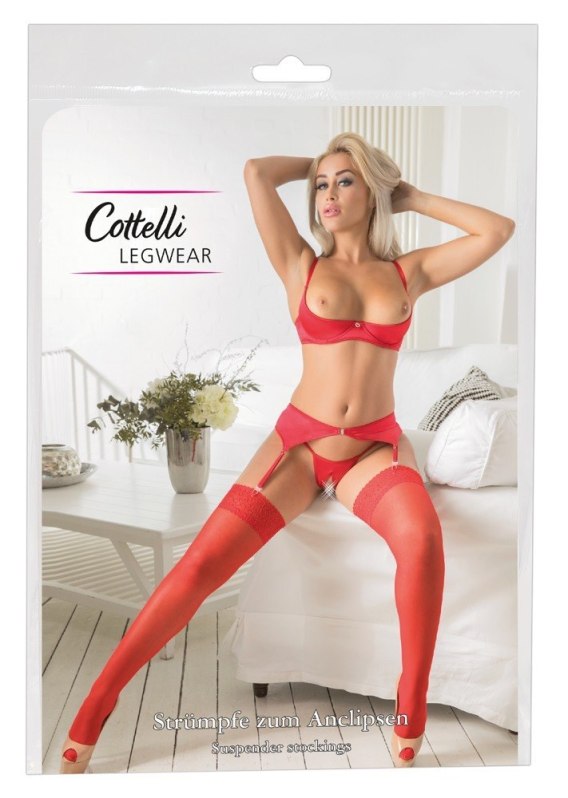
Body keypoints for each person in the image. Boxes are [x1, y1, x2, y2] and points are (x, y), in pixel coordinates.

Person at [59, 132, 515, 772]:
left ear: (371, 192)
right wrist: (321, 163)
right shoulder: (300, 264)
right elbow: (255, 171)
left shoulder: (406, 273)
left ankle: (410, 707)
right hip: (299, 448)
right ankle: (97, 703)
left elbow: (498, 230)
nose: (328, 194)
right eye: (322, 185)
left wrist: (404, 193)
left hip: (372, 450)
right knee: (201, 565)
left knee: (421, 541)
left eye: (345, 182)